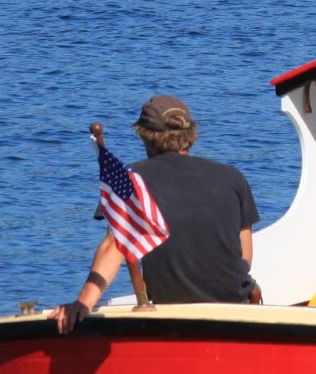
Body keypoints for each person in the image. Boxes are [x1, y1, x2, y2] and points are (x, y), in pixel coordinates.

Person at [52, 95, 260, 333]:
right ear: (190, 134)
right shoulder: (232, 177)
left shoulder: (132, 179)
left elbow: (115, 246)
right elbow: (245, 257)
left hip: (170, 310)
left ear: (144, 135)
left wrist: (83, 303)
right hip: (236, 308)